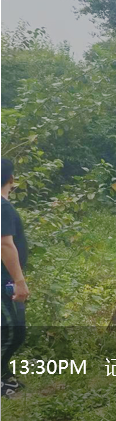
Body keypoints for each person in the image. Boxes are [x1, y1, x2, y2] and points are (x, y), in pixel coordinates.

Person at [1, 158, 29, 398]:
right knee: (13, 330)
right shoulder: (3, 207)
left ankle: (4, 377)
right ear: (11, 178)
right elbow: (5, 245)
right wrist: (19, 281)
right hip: (4, 280)